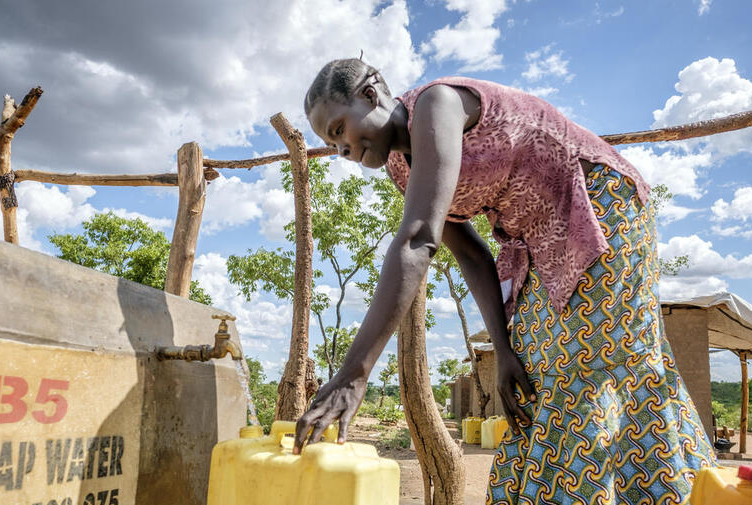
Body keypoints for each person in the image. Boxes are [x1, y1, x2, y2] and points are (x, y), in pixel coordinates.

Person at [296, 58, 716, 504]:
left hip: (596, 205)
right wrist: (502, 348)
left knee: (595, 360)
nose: (340, 149)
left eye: (339, 129)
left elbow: (419, 239)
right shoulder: (402, 168)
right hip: (535, 240)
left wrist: (353, 374)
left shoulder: (436, 104)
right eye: (330, 142)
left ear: (369, 93)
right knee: (532, 374)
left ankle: (668, 493)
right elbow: (472, 254)